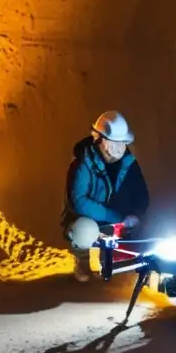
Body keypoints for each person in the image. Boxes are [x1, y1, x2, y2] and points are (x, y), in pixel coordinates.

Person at [61, 111, 150, 281]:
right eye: (112, 141)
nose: (117, 148)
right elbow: (79, 202)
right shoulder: (82, 163)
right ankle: (83, 260)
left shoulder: (129, 162)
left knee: (148, 226)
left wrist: (136, 214)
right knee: (84, 230)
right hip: (91, 220)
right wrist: (116, 217)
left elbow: (142, 194)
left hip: (120, 219)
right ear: (98, 139)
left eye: (121, 142)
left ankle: (129, 265)